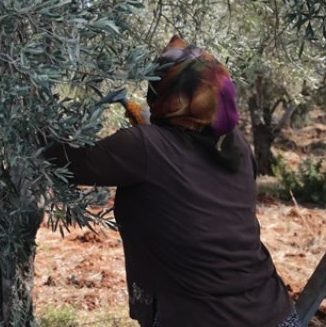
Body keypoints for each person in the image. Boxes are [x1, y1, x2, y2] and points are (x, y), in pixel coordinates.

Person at [45, 36, 298, 327]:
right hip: (274, 311)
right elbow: (178, 150)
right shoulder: (235, 145)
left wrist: (28, 121)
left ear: (165, 94)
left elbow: (69, 162)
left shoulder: (144, 147)